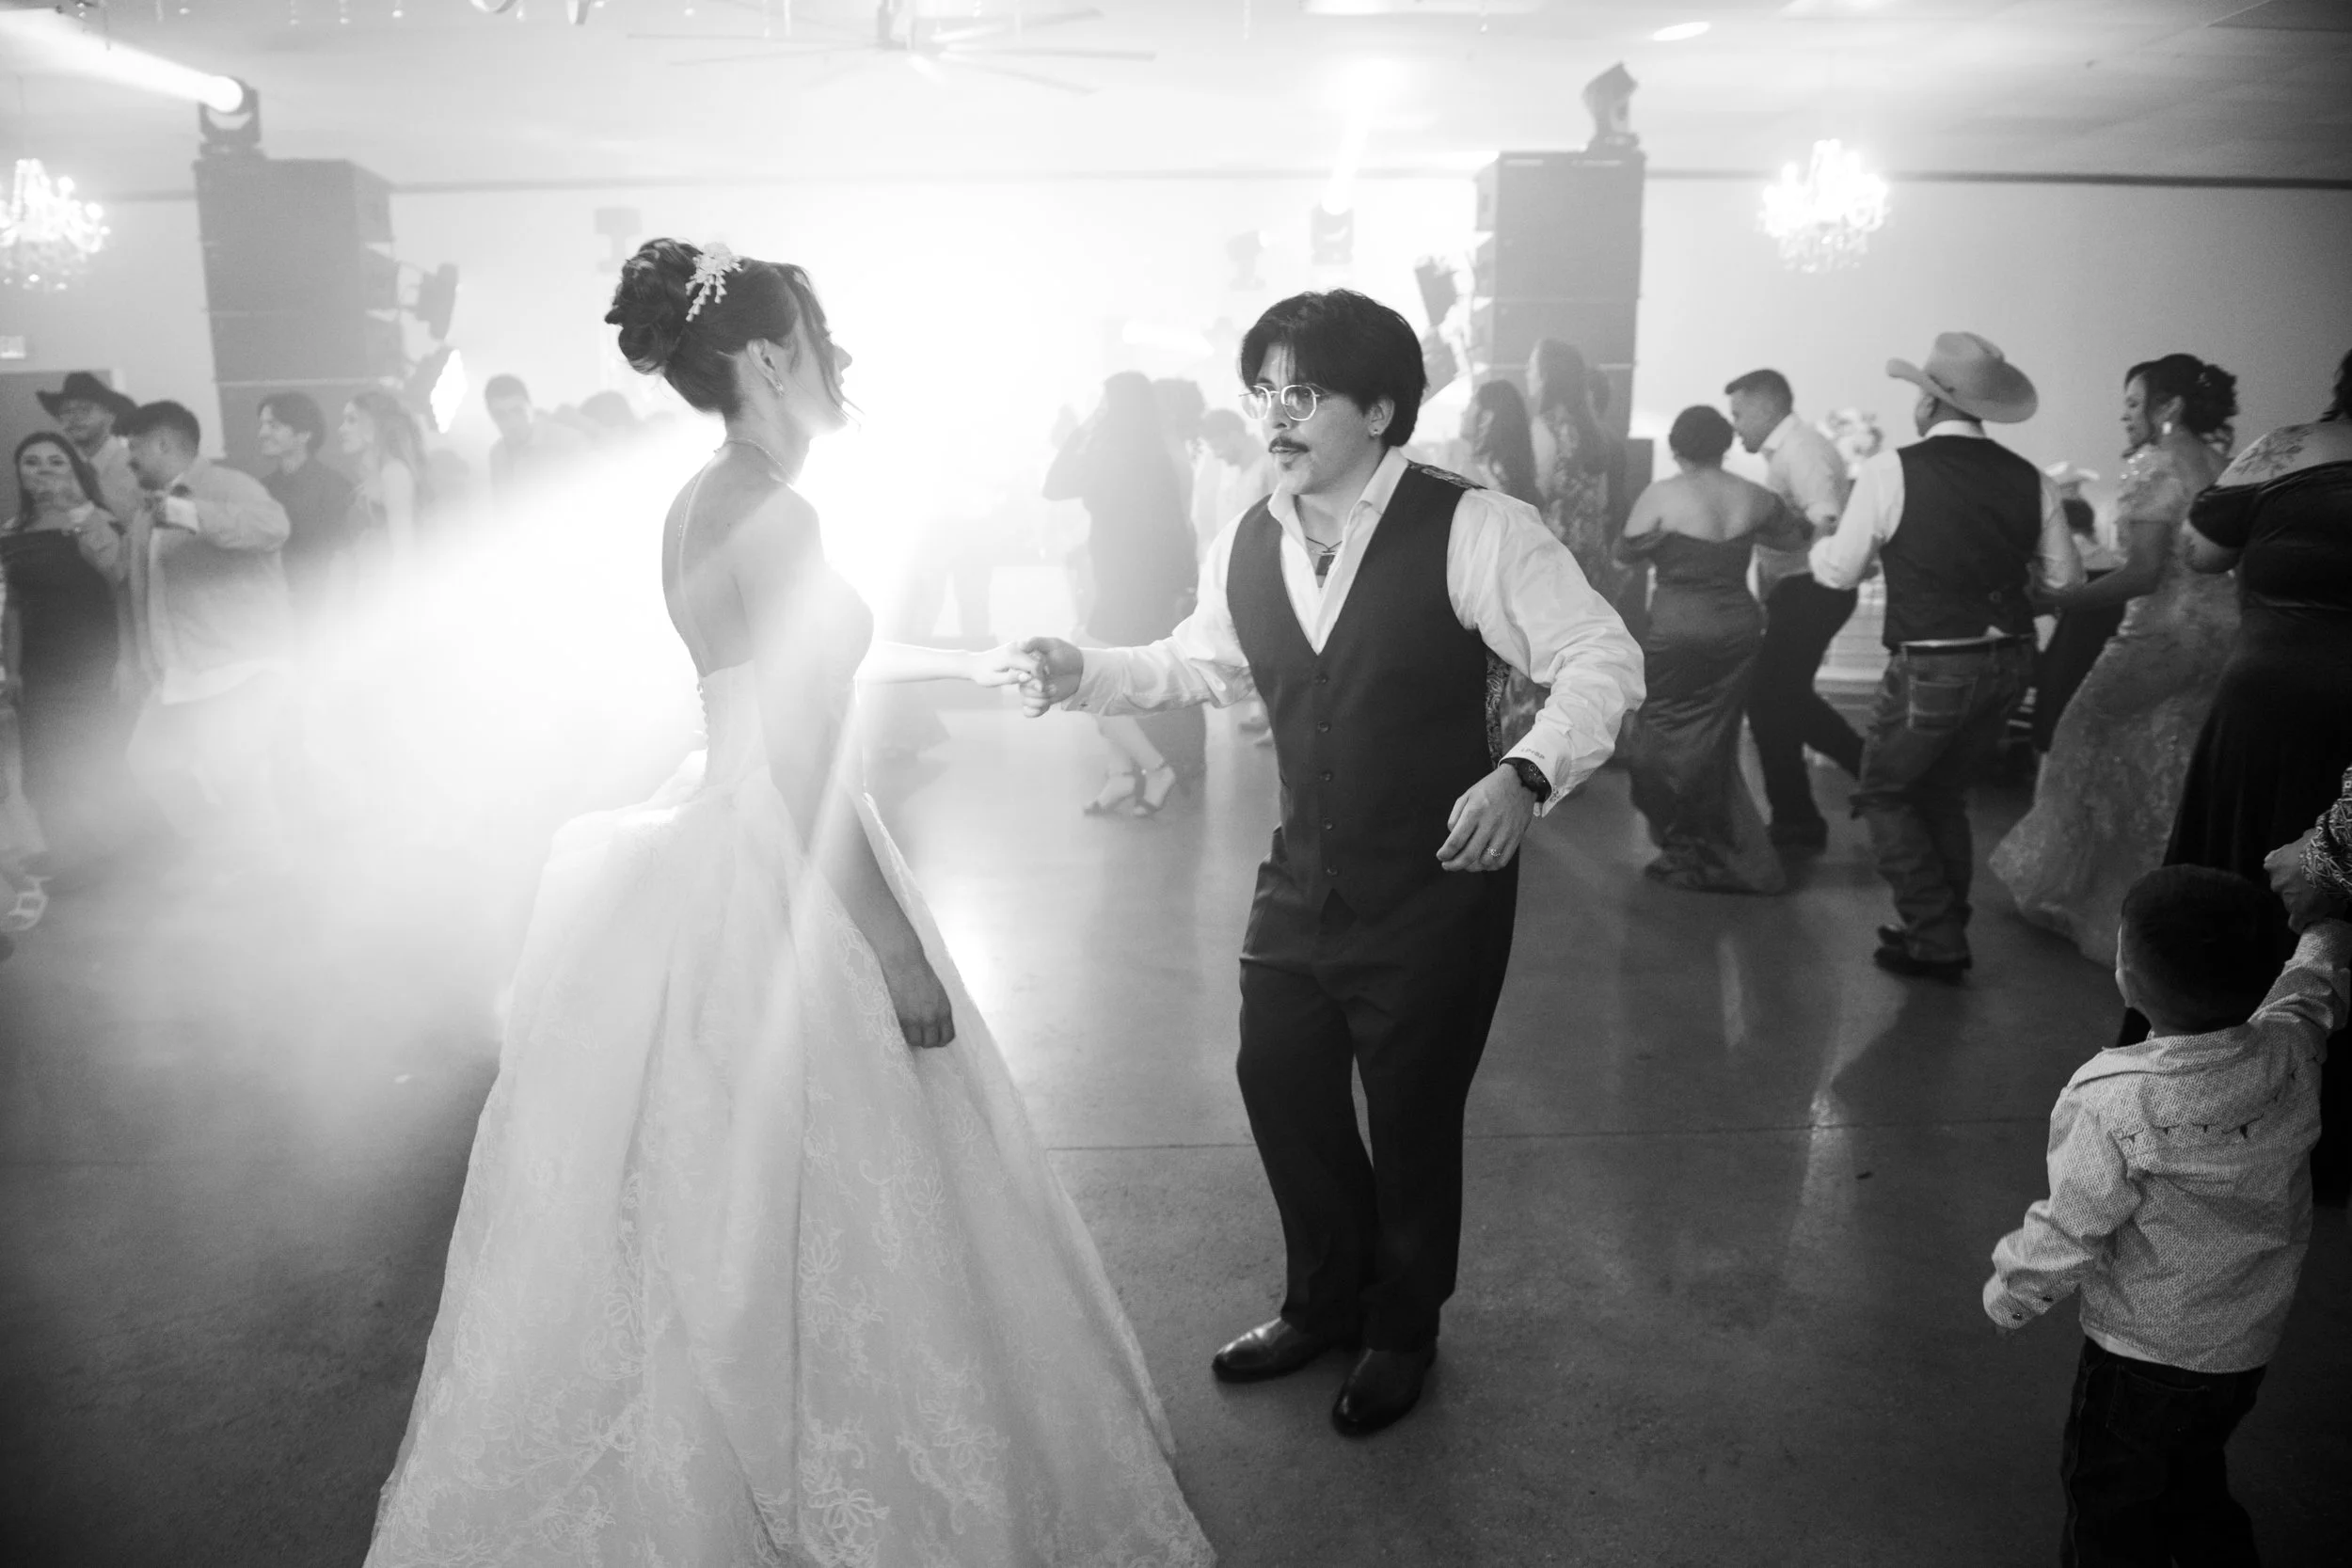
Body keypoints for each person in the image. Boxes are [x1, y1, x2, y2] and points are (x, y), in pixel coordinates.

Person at [363, 240, 1212, 1566]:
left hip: (724, 817)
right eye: (821, 341)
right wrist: (893, 950)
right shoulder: (779, 510)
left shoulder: (702, 495)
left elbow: (747, 696)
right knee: (835, 1181)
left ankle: (730, 1441)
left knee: (720, 1190)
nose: (840, 366)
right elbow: (811, 753)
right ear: (767, 358)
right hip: (791, 845)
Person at [1015, 289, 1645, 1437]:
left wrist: (1527, 773)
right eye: (1263, 390)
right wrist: (1083, 670)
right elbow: (1196, 662)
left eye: (1302, 391)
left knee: (1410, 1116)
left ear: (1379, 407)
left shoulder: (1472, 526)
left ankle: (1402, 1328)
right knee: (1280, 1078)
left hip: (1435, 882)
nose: (1275, 414)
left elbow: (1600, 655)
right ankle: (1322, 1299)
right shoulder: (1250, 532)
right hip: (1302, 871)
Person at [1983, 866, 2348, 1565]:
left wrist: (2013, 1293)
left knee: (2109, 1503)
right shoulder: (2289, 1044)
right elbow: (2315, 986)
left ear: (2127, 977)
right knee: (2192, 1473)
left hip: (2142, 1356)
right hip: (2246, 1343)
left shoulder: (2114, 1098)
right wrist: (2326, 928)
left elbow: (2073, 1223)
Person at [2145, 348, 2352, 1203]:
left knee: (2233, 888)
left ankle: (2207, 1103)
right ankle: (2325, 1126)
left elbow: (2200, 551)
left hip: (2265, 704)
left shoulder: (2291, 449)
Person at [1810, 332, 2083, 980]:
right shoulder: (2031, 478)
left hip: (1935, 661)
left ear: (1929, 405)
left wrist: (1824, 539)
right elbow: (2068, 584)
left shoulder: (1890, 471)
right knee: (1943, 795)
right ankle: (1937, 926)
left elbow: (1839, 572)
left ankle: (1934, 933)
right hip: (2013, 658)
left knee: (1883, 794)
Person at [1991, 356, 2239, 964]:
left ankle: (2087, 901)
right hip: (2223, 636)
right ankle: (2161, 907)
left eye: (2133, 403)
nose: (2123, 415)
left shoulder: (2154, 463)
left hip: (2164, 633)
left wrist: (2060, 598)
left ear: (2168, 407)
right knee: (2169, 761)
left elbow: (2145, 572)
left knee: (2078, 740)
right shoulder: (2223, 467)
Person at [1616, 405, 1805, 895]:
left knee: (1653, 738)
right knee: (1714, 743)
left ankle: (1689, 846)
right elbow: (1793, 539)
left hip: (1678, 629)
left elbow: (1623, 553)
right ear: (1723, 445)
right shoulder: (1753, 495)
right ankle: (1723, 850)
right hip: (1738, 629)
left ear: (1677, 448)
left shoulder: (1663, 494)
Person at [116, 401, 294, 871]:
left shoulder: (228, 485)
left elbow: (273, 528)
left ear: (163, 444)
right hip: (179, 669)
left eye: (134, 448)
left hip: (237, 662)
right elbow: (139, 585)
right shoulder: (145, 510)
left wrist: (190, 513)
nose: (128, 459)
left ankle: (273, 878)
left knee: (238, 774)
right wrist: (140, 660)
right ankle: (224, 849)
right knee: (150, 761)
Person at [1042, 372, 1201, 816]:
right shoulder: (1131, 453)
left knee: (1087, 681)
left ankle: (1156, 768)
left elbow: (1173, 528)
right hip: (1123, 584)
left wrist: (1085, 426)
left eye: (1106, 402)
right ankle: (1121, 776)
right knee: (1108, 681)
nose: (1101, 409)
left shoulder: (1135, 457)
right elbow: (1054, 487)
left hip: (1135, 589)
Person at [1724, 369, 1860, 849]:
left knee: (1768, 699)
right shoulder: (1791, 450)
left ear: (1766, 407)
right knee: (1785, 698)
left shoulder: (1801, 449)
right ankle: (1866, 781)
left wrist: (1802, 553)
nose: (1735, 425)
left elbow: (1826, 515)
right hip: (1803, 589)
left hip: (1812, 589)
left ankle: (1799, 818)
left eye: (1739, 413)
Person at [1, 433, 129, 875]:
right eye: (32, 463)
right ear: (20, 473)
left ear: (76, 471)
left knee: (89, 757)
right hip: (38, 665)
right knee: (42, 766)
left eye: (56, 462)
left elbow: (122, 586)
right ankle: (74, 859)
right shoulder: (11, 532)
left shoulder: (100, 521)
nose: (44, 471)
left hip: (95, 659)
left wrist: (127, 657)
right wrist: (12, 670)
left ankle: (117, 854)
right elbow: (12, 605)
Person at [1527, 338, 1641, 634]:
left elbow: (1530, 499)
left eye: (1531, 366)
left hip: (1550, 564)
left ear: (1547, 375)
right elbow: (1602, 501)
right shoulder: (1593, 431)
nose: (1527, 373)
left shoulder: (1545, 427)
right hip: (1589, 559)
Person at [2030, 463, 2126, 752]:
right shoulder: (2114, 562)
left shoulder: (2059, 562)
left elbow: (2042, 613)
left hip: (2062, 664)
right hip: (2104, 666)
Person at [254, 391, 357, 623]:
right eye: (262, 425)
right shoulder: (262, 489)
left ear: (304, 435)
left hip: (322, 609)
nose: (262, 434)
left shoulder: (334, 486)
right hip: (272, 606)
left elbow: (344, 555)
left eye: (274, 425)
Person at [339, 390, 429, 574]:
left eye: (352, 420)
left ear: (375, 424)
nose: (342, 429)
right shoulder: (375, 474)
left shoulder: (394, 473)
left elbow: (404, 549)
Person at [37, 371, 142, 526]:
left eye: (85, 409)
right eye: (66, 411)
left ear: (111, 416)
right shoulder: (64, 471)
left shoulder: (137, 467)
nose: (74, 417)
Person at [484, 372, 591, 512]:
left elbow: (590, 499)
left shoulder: (568, 441)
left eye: (518, 411)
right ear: (492, 416)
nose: (511, 422)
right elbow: (502, 509)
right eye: (501, 415)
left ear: (531, 407)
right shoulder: (497, 454)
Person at [1191, 406, 1274, 557]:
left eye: (1217, 447)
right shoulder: (1229, 470)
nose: (1217, 455)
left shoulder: (1269, 467)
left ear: (1234, 436)